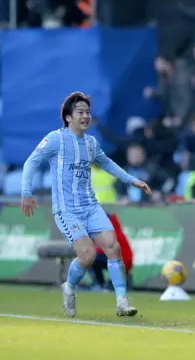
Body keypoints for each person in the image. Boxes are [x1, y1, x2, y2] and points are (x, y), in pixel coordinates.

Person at [21, 92, 151, 318]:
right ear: (68, 117)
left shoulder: (91, 143)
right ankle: (69, 288)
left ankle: (121, 301)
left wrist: (132, 180)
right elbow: (31, 162)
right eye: (80, 112)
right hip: (67, 210)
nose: (85, 116)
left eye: (88, 112)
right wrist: (26, 193)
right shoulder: (55, 139)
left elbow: (107, 164)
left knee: (113, 246)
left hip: (91, 207)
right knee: (88, 255)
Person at [90, 212, 134, 290]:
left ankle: (99, 284)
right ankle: (122, 279)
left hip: (119, 262)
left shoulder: (109, 233)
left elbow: (102, 250)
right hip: (125, 263)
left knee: (91, 258)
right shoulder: (116, 231)